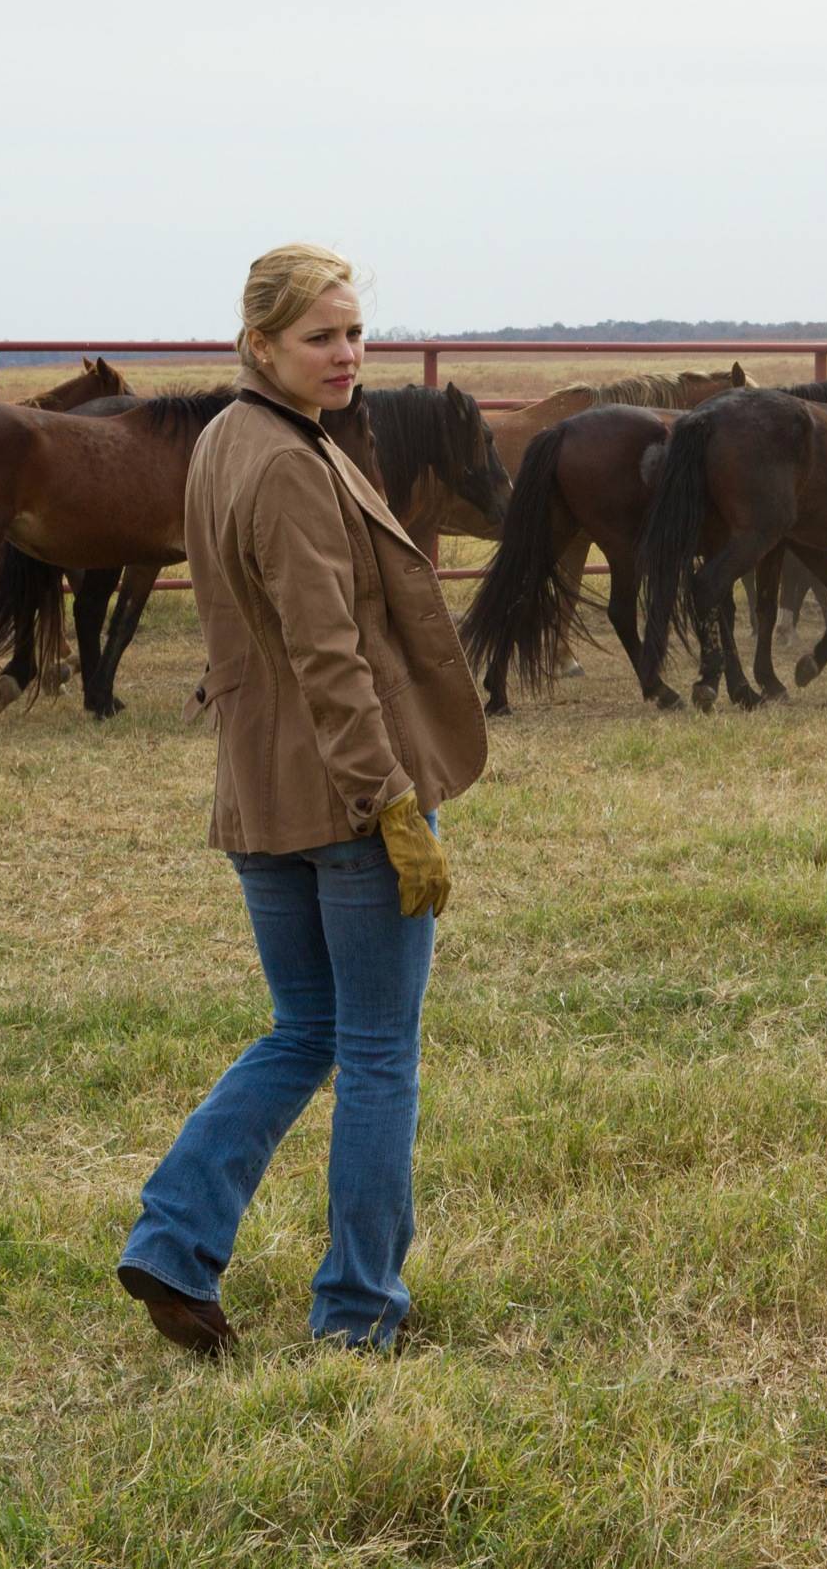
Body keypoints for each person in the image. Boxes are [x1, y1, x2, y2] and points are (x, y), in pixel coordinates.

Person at [117, 243, 487, 1354]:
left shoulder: (227, 441)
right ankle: (360, 1311)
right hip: (341, 800)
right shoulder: (283, 461)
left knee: (304, 1030)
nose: (345, 354)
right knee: (376, 1050)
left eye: (354, 332)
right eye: (320, 336)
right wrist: (389, 808)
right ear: (260, 342)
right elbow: (330, 658)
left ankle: (174, 1239)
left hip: (261, 799)